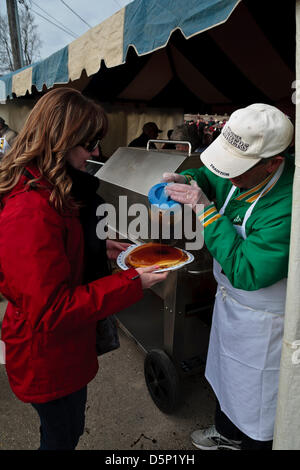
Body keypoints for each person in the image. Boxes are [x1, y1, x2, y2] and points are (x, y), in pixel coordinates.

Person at [0, 88, 168, 450]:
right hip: (46, 358)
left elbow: (52, 252)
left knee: (65, 430)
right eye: (88, 143)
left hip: (60, 351)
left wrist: (97, 246)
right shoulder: (29, 210)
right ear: (58, 141)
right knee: (62, 436)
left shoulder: (48, 186)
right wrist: (132, 281)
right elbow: (50, 309)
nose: (95, 153)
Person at [162, 103, 294, 450]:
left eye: (238, 169)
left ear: (273, 163)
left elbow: (247, 271)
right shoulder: (240, 171)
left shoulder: (289, 206)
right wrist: (186, 180)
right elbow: (211, 176)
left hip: (265, 322)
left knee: (259, 402)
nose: (229, 175)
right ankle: (226, 433)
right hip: (231, 306)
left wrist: (205, 211)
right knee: (228, 379)